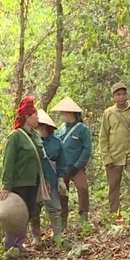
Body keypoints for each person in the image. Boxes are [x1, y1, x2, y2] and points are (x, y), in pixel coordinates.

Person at [0, 95, 43, 254]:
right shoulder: (15, 136)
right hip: (18, 183)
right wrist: (6, 185)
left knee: (27, 213)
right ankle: (10, 247)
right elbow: (8, 161)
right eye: (35, 115)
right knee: (15, 215)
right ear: (27, 117)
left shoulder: (35, 135)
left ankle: (20, 244)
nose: (37, 118)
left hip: (33, 181)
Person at [100, 82, 130, 213]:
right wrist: (106, 158)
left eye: (124, 94)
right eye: (118, 94)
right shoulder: (108, 113)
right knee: (113, 185)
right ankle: (114, 212)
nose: (121, 97)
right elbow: (103, 137)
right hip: (114, 156)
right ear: (113, 97)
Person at [31, 109, 67, 245]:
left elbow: (62, 163)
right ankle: (36, 238)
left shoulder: (56, 142)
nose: (37, 128)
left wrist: (60, 178)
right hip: (34, 180)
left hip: (51, 179)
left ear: (46, 126)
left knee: (55, 208)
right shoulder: (30, 141)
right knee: (34, 210)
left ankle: (58, 235)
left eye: (40, 125)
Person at [54, 96, 91, 226]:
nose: (61, 115)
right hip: (62, 168)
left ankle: (83, 219)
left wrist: (76, 166)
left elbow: (86, 149)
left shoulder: (83, 129)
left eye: (63, 112)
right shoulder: (60, 130)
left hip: (77, 167)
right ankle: (63, 221)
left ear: (71, 112)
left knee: (83, 188)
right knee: (62, 194)